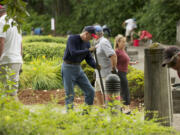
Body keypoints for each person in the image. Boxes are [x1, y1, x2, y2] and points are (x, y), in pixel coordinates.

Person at [61, 26, 99, 110]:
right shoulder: (72, 39)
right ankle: (71, 117)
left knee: (90, 91)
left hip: (78, 68)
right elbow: (73, 52)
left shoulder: (87, 43)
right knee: (70, 94)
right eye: (91, 37)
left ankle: (86, 115)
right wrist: (88, 50)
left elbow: (88, 58)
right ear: (86, 34)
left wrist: (97, 66)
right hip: (68, 68)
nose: (91, 39)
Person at [0, 5, 23, 99]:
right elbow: (21, 43)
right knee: (11, 92)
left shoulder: (1, 22)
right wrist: (21, 60)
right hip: (16, 60)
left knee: (8, 93)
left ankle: (15, 113)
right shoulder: (15, 22)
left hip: (6, 61)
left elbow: (1, 41)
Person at [93, 25, 117, 106]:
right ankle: (101, 110)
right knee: (98, 92)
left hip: (105, 73)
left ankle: (110, 111)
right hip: (98, 73)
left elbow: (113, 55)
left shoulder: (104, 42)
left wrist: (113, 69)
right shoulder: (96, 42)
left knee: (107, 94)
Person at [114, 34, 131, 114]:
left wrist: (131, 63)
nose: (124, 43)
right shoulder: (116, 51)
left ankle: (122, 108)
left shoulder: (123, 51)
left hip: (123, 72)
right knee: (125, 90)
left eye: (125, 42)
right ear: (118, 43)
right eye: (123, 42)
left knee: (124, 90)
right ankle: (126, 109)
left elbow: (124, 60)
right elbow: (113, 62)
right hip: (120, 73)